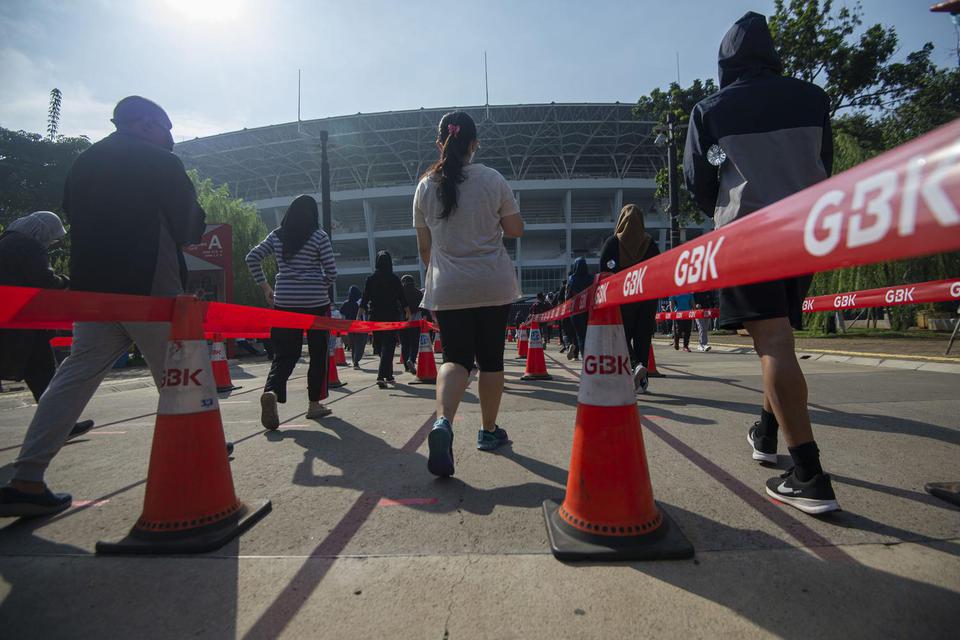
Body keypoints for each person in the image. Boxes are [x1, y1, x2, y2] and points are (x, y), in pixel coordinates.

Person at [0, 97, 206, 517]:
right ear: (147, 124)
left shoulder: (83, 163)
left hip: (92, 291)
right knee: (181, 373)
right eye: (168, 129)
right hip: (149, 285)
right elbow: (189, 227)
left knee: (73, 377)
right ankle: (203, 462)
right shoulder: (159, 161)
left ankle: (27, 477)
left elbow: (73, 216)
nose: (171, 139)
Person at [683, 11, 838, 514]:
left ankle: (809, 474)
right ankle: (767, 433)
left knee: (770, 342)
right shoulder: (813, 99)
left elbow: (696, 182)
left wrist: (722, 211)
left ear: (726, 62)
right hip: (805, 230)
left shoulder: (711, 109)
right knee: (780, 341)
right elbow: (825, 163)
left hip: (749, 235)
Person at [415, 111, 524, 476]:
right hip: (492, 282)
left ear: (439, 143)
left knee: (455, 359)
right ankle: (489, 431)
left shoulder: (426, 185)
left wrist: (434, 286)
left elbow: (425, 248)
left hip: (449, 285)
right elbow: (515, 229)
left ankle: (443, 423)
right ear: (474, 144)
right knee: (491, 359)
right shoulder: (492, 179)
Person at [0, 211, 96, 440]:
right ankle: (61, 426)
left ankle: (61, 425)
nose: (51, 242)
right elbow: (44, 280)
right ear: (42, 231)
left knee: (41, 376)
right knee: (45, 375)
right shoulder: (30, 247)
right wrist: (68, 282)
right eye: (52, 237)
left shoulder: (6, 242)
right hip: (25, 324)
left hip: (8, 319)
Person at [246, 194, 337, 427]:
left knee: (285, 354)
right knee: (318, 354)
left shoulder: (277, 235)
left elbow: (252, 257)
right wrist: (319, 286)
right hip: (316, 303)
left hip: (285, 301)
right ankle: (314, 405)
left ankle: (272, 392)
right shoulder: (319, 236)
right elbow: (332, 271)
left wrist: (267, 289)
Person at [599, 204, 660, 393]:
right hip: (647, 298)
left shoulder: (612, 243)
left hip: (622, 299)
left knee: (621, 337)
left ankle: (635, 365)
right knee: (643, 337)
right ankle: (642, 382)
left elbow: (603, 271)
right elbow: (657, 268)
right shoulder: (650, 243)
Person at [360, 251, 411, 388]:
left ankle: (386, 375)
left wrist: (359, 313)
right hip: (391, 316)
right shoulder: (395, 279)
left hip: (375, 316)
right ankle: (383, 376)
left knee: (380, 346)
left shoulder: (371, 279)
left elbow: (365, 297)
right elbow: (402, 297)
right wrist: (407, 312)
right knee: (388, 345)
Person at [565, 256, 593, 360]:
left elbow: (568, 296)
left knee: (579, 335)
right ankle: (589, 355)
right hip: (589, 310)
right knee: (589, 335)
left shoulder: (572, 278)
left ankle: (584, 357)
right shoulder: (592, 278)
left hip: (576, 311)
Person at [400, 274, 424, 373]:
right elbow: (423, 307)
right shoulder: (419, 293)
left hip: (402, 322)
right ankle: (412, 360)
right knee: (414, 343)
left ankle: (406, 365)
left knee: (404, 344)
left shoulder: (400, 293)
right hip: (416, 321)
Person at [339, 285, 366, 369]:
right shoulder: (359, 303)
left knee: (353, 344)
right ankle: (356, 360)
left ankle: (355, 362)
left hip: (349, 326)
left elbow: (341, 312)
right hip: (359, 325)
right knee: (360, 343)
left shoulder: (346, 303)